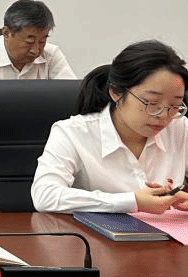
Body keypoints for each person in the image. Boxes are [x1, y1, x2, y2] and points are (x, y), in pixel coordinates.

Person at [32, 40, 188, 214]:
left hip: (168, 231)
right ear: (116, 93)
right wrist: (132, 201)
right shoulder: (73, 133)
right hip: (95, 232)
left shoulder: (180, 128)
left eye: (174, 106)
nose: (163, 115)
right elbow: (45, 195)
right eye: (152, 103)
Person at [0, 0, 75, 109]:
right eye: (29, 42)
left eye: (42, 41)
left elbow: (72, 94)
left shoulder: (51, 54)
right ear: (6, 33)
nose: (36, 50)